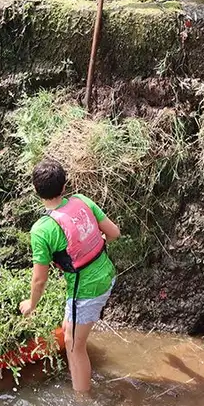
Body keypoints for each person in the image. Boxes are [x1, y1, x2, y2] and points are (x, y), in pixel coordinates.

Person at [18, 159, 122, 393]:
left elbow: (39, 280)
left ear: (36, 192)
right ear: (64, 186)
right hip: (107, 274)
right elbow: (114, 233)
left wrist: (31, 304)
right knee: (69, 329)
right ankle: (76, 368)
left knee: (74, 345)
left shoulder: (42, 230)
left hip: (87, 290)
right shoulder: (82, 201)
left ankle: (82, 402)